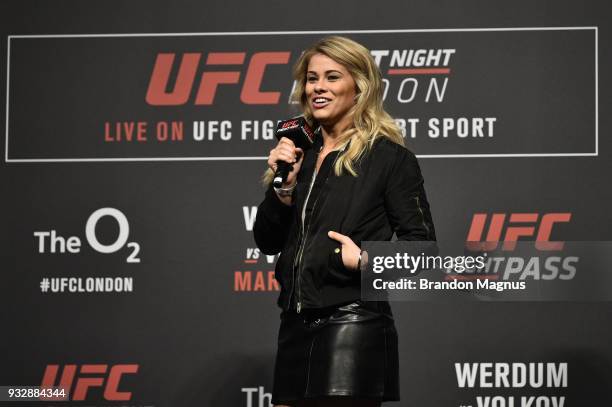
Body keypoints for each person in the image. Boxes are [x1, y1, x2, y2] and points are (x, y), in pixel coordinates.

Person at [253, 36, 436, 407]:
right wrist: (283, 190)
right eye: (311, 78)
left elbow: (424, 252)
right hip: (293, 325)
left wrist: (367, 260)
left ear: (359, 87)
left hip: (352, 326)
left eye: (332, 77)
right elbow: (267, 241)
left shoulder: (389, 159)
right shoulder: (299, 155)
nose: (318, 87)